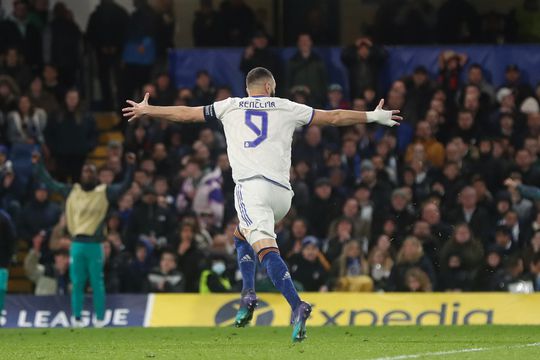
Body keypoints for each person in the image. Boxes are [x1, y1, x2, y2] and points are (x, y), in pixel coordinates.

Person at [122, 66, 401, 342]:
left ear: (248, 89)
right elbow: (335, 117)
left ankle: (296, 305)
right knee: (241, 234)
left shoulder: (230, 106)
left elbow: (186, 114)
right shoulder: (287, 106)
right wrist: (373, 116)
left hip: (251, 188)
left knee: (266, 249)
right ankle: (248, 293)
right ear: (269, 86)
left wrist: (150, 110)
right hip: (282, 195)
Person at [32, 151, 135, 327]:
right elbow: (50, 184)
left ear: (96, 176)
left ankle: (100, 318)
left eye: (91, 172)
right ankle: (77, 318)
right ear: (81, 175)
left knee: (97, 282)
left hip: (95, 244)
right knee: (77, 282)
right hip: (77, 243)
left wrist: (131, 167)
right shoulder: (73, 191)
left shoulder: (104, 192)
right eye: (85, 172)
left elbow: (125, 186)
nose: (88, 174)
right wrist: (39, 165)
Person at [0, 209, 15, 315]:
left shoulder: (4, 218)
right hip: (3, 261)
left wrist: (10, 256)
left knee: (0, 289)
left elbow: (11, 238)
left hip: (2, 260)